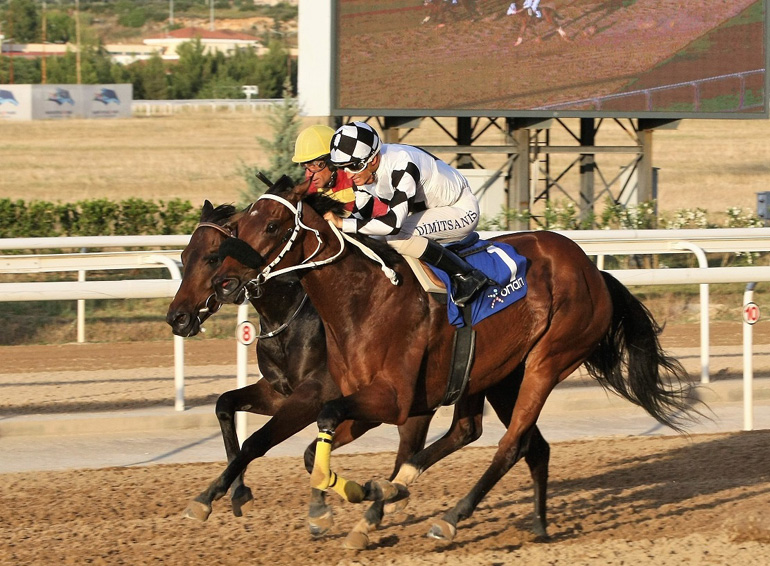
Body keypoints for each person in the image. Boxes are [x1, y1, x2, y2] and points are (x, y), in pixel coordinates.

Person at [324, 121, 490, 307]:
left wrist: (341, 223)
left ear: (373, 160)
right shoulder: (362, 171)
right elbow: (360, 219)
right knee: (372, 239)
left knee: (396, 237)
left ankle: (467, 275)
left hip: (461, 210)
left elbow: (393, 224)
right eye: (342, 167)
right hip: (433, 211)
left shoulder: (402, 163)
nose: (348, 175)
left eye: (352, 166)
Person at [292, 124, 357, 212]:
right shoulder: (310, 189)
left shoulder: (358, 179)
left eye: (314, 165)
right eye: (305, 167)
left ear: (332, 163)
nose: (308, 174)